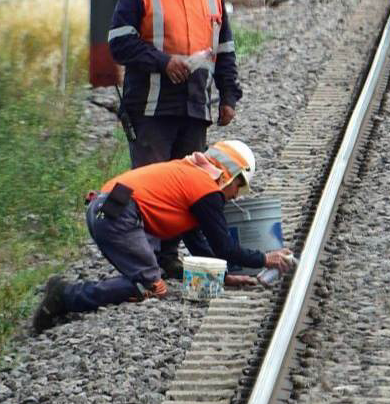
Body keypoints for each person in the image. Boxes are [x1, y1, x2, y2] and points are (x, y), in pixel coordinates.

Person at [30, 139, 294, 334]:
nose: (236, 195)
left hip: (105, 209)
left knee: (147, 280)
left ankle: (67, 295)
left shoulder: (191, 175)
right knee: (151, 286)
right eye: (239, 186)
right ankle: (66, 296)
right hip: (117, 214)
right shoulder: (206, 189)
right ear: (231, 174)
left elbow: (196, 242)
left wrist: (223, 277)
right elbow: (224, 247)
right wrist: (265, 258)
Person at [107, 0, 241, 278]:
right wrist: (163, 62)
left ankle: (167, 259)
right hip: (149, 110)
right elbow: (119, 43)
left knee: (188, 189)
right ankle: (142, 265)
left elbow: (225, 50)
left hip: (195, 109)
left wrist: (229, 94)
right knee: (151, 187)